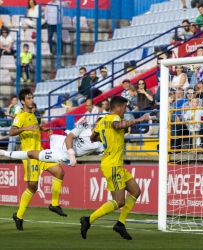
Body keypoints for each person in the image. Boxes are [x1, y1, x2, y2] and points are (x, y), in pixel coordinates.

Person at [80, 97, 150, 240]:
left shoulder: (103, 120)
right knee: (119, 201)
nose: (126, 110)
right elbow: (117, 126)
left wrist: (106, 137)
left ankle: (120, 223)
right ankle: (88, 219)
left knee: (136, 191)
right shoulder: (114, 118)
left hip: (114, 164)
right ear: (117, 108)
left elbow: (93, 137)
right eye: (125, 107)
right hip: (112, 165)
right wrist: (139, 120)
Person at [3, 88, 66, 230]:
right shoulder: (20, 115)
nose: (32, 100)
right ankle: (19, 215)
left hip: (41, 153)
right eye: (29, 98)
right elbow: (12, 131)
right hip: (30, 156)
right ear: (23, 101)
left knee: (59, 173)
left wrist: (41, 129)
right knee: (32, 187)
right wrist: (25, 129)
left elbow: (33, 127)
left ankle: (54, 204)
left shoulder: (32, 114)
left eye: (32, 97)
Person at [0, 121, 103, 168]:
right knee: (49, 135)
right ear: (96, 125)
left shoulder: (102, 143)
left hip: (59, 155)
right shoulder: (84, 126)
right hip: (60, 140)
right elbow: (69, 138)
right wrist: (72, 156)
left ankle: (3, 152)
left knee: (31, 154)